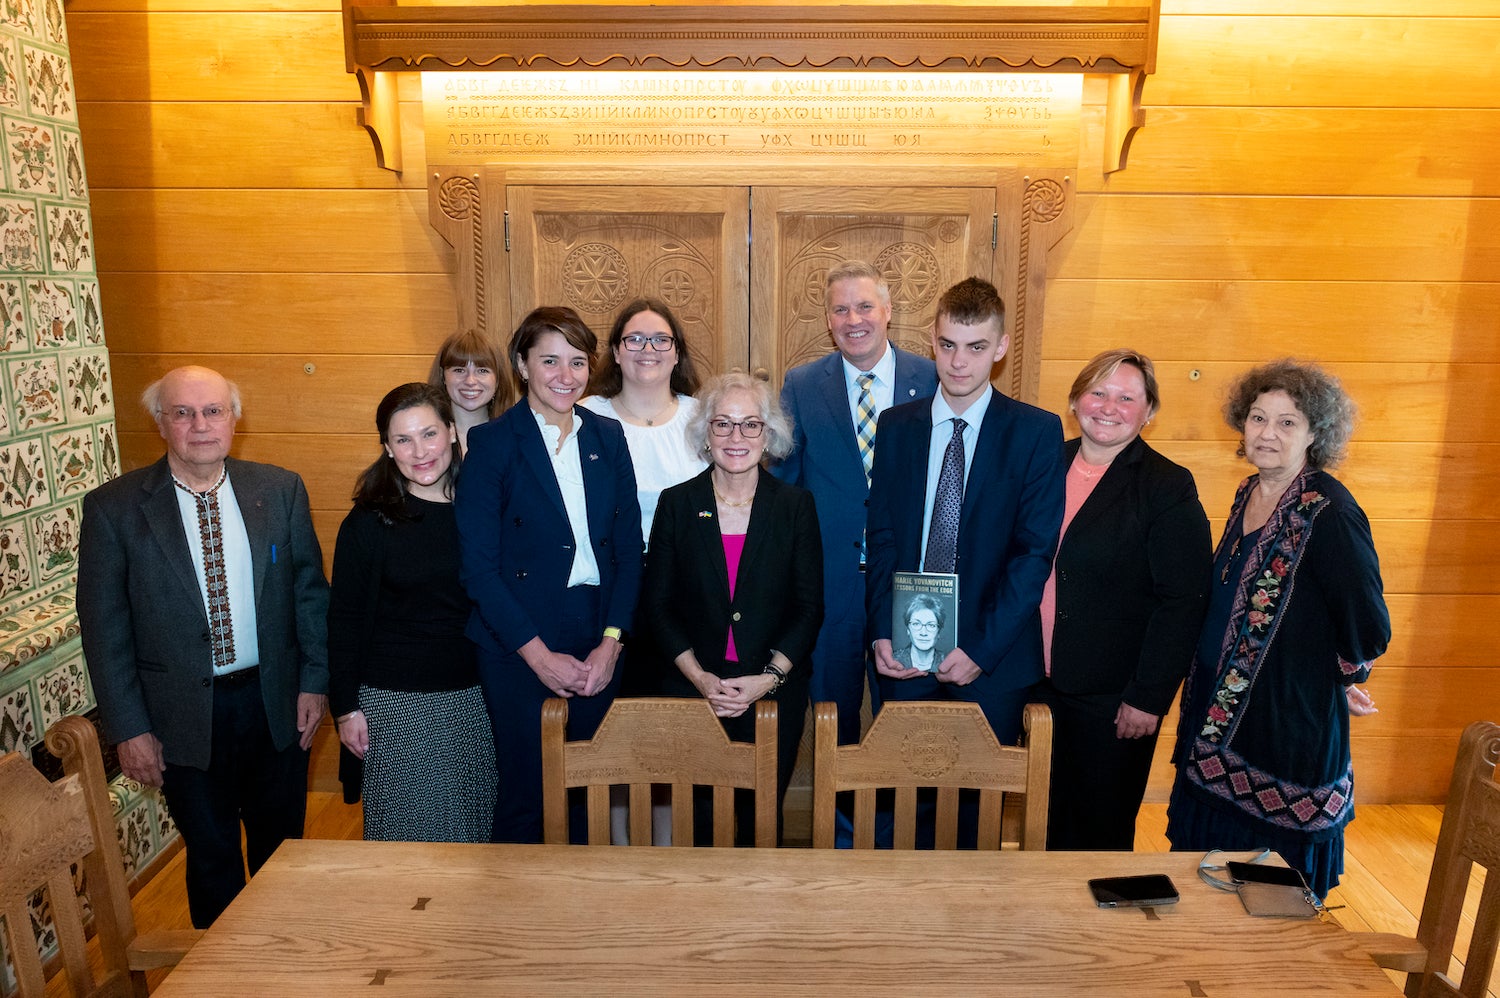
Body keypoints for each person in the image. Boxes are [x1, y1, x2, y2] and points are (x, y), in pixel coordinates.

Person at [77, 366, 328, 927]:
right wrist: (128, 728)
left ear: (234, 419)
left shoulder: (279, 489)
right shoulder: (114, 509)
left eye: (213, 410)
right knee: (212, 857)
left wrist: (315, 682)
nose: (199, 425)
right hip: (180, 717)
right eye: (182, 413)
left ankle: (285, 964)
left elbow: (309, 594)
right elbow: (104, 628)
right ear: (160, 423)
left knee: (284, 850)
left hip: (275, 703)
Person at [1167, 359, 1390, 898]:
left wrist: (1337, 674)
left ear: (1316, 433)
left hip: (1286, 729)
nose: (1267, 434)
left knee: (1272, 902)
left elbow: (1368, 625)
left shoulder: (1330, 511)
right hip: (1218, 719)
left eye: (1287, 423)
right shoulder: (1250, 491)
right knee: (1207, 884)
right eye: (1258, 418)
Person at [455, 306, 643, 843]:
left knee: (589, 795)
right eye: (550, 361)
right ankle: (514, 923)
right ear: (522, 364)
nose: (566, 376)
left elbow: (629, 552)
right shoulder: (493, 445)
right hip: (517, 644)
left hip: (597, 639)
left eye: (578, 362)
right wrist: (537, 656)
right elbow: (479, 571)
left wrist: (611, 645)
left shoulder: (608, 437)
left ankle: (581, 923)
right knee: (528, 795)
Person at [866, 277, 1064, 747]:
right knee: (901, 802)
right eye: (949, 344)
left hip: (993, 660)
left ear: (1001, 347)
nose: (958, 362)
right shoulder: (896, 427)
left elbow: (1033, 554)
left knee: (979, 813)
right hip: (905, 654)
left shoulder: (1035, 432)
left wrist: (981, 648)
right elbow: (882, 538)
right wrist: (881, 631)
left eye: (976, 347)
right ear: (933, 341)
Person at [1032, 349, 1211, 851]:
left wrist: (1148, 696)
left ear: (1148, 411)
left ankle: (1090, 929)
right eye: (1097, 392)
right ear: (1074, 401)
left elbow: (1184, 600)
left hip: (1114, 697)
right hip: (1033, 681)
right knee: (1039, 818)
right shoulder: (1046, 463)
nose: (1109, 407)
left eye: (1126, 397)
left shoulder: (1166, 486)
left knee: (1098, 826)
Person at [641, 371, 823, 843]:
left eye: (750, 425)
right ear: (706, 434)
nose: (736, 437)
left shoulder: (796, 506)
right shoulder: (677, 505)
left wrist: (769, 678)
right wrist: (701, 678)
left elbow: (809, 608)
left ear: (769, 435)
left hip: (774, 692)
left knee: (762, 823)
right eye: (722, 424)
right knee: (700, 824)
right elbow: (657, 606)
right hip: (693, 690)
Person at [773, 260, 937, 745]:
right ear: (828, 320)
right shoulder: (802, 385)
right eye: (840, 309)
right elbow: (786, 488)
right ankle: (838, 823)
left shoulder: (931, 379)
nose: (853, 319)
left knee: (906, 727)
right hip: (830, 585)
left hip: (912, 584)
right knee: (831, 723)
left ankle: (893, 825)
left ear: (887, 311)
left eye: (864, 306)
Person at [328, 382, 496, 843]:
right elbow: (342, 618)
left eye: (429, 434)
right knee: (408, 845)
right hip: (395, 705)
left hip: (478, 698)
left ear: (453, 434)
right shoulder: (369, 521)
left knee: (480, 837)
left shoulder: (485, 508)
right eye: (403, 440)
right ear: (386, 448)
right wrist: (345, 710)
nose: (419, 451)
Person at [581, 297, 707, 546]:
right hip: (609, 566)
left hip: (687, 564)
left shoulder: (703, 418)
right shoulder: (586, 417)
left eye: (661, 340)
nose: (648, 349)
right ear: (617, 352)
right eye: (635, 339)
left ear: (677, 354)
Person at [428, 329, 509, 454]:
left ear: (497, 379)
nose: (470, 381)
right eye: (459, 370)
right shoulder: (426, 440)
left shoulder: (514, 437)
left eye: (482, 371)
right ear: (442, 376)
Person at [891, 593, 950, 673]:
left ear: (938, 631)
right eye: (916, 624)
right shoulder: (893, 659)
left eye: (931, 625)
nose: (923, 632)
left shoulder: (949, 662)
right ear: (908, 629)